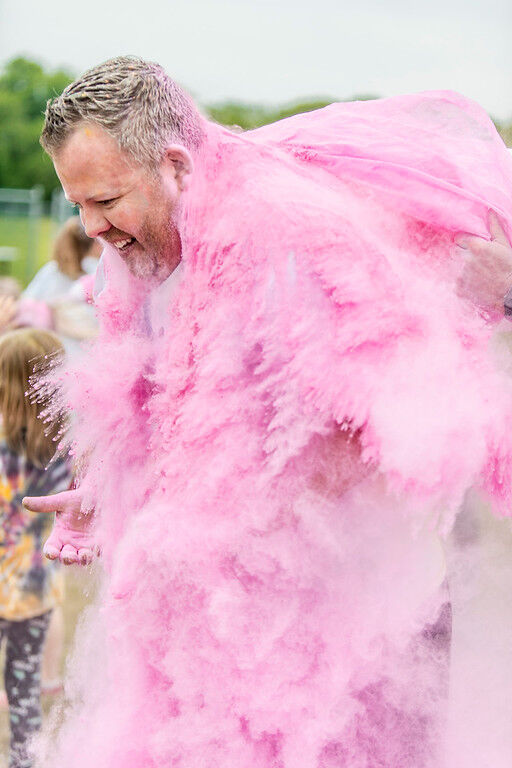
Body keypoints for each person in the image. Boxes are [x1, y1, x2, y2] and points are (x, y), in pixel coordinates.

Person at [24, 57, 512, 767]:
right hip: (229, 630)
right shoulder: (140, 260)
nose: (91, 226)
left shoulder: (295, 232)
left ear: (176, 166)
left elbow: (402, 427)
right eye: (78, 205)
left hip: (358, 621)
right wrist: (114, 481)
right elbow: (164, 404)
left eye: (106, 200)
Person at [0, 328, 71, 768]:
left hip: (8, 580)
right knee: (23, 692)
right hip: (36, 590)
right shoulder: (63, 451)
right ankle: (26, 761)